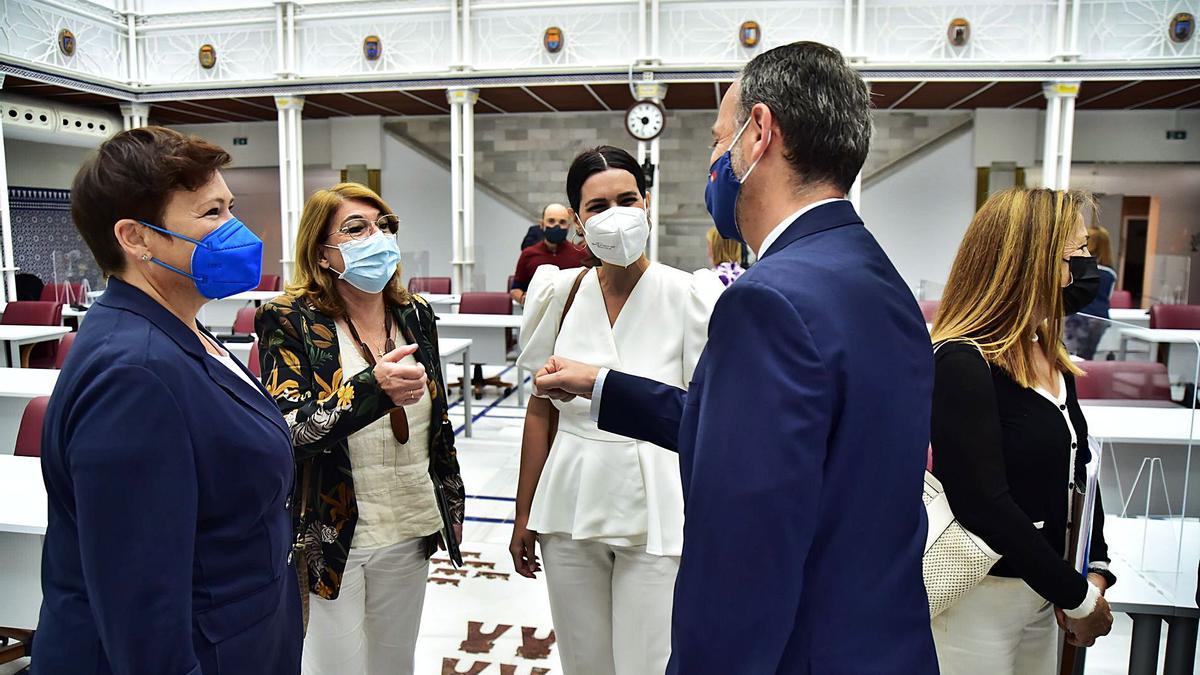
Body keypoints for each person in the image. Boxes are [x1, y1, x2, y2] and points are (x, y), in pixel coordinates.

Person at [531, 42, 938, 673]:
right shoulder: (874, 275)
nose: (714, 159)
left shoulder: (767, 299)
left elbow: (743, 552)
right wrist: (607, 387)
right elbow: (775, 439)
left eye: (720, 139)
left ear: (760, 135)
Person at [35, 126, 302, 674]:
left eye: (230, 208)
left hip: (243, 634)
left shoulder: (181, 330)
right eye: (210, 214)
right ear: (136, 237)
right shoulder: (134, 374)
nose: (235, 230)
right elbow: (142, 604)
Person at [508, 146, 724, 675]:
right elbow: (541, 411)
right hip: (570, 497)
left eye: (627, 199)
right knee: (584, 660)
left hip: (657, 499)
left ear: (647, 203)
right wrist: (523, 513)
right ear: (578, 220)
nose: (616, 214)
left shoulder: (691, 294)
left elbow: (703, 415)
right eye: (598, 205)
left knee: (649, 659)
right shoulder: (558, 292)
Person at [255, 183, 465, 675]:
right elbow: (288, 431)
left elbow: (439, 422)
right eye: (357, 229)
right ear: (322, 253)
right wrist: (373, 388)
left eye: (385, 226)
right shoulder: (289, 318)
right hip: (335, 531)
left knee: (395, 663)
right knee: (336, 666)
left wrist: (452, 497)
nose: (379, 237)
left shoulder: (415, 313)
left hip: (409, 517)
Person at [929, 188, 1115, 674]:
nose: (1085, 265)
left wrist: (1095, 568)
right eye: (1075, 252)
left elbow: (1080, 468)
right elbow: (983, 503)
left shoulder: (1049, 354)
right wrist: (1077, 596)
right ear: (1030, 260)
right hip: (981, 599)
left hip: (1046, 595)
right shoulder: (962, 361)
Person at [510, 203, 587, 305]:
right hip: (538, 315)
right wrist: (526, 300)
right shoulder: (528, 254)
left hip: (571, 316)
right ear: (542, 224)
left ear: (568, 226)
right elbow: (515, 289)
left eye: (562, 222)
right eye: (551, 221)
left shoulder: (580, 254)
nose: (557, 226)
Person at [1063, 225, 1118, 359]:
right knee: (1087, 357)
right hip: (1100, 319)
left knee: (1070, 357)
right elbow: (1107, 298)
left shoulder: (1078, 269)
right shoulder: (1110, 274)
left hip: (1079, 316)